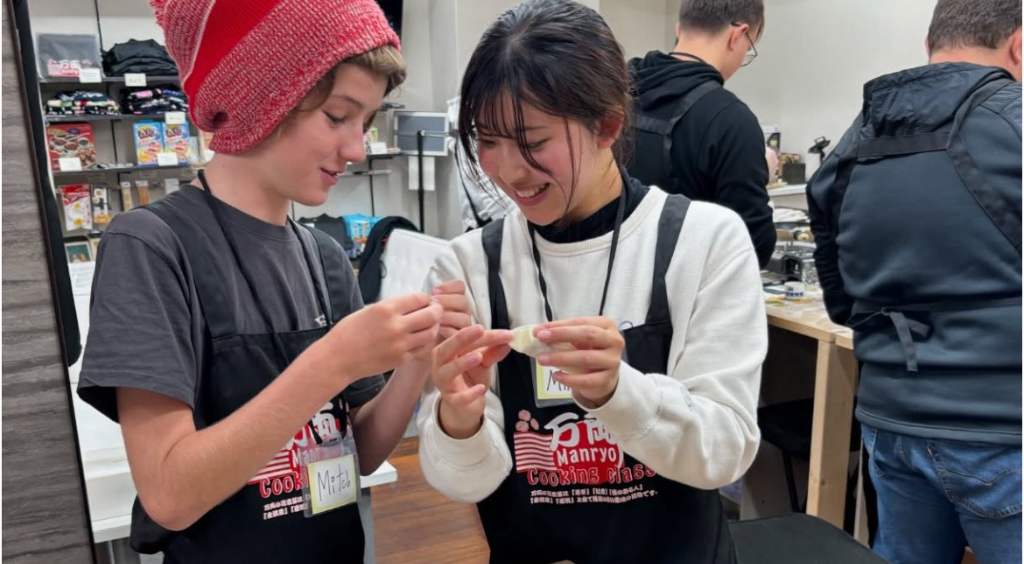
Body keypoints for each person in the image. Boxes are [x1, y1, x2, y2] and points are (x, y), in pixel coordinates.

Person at [75, 1, 470, 562]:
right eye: (337, 117)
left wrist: (415, 362)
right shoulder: (152, 247)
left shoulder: (327, 257)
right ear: (262, 100)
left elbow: (355, 453)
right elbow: (168, 494)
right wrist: (332, 360)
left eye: (366, 123)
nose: (356, 149)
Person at [416, 2, 767, 562]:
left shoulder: (702, 241)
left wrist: (616, 391)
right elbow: (465, 483)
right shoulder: (468, 265)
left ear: (607, 125)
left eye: (531, 142)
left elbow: (724, 452)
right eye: (488, 140)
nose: (507, 170)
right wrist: (457, 417)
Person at [806, 1, 1022, 562]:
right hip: (1004, 430)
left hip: (892, 424)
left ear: (931, 47)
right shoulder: (1015, 121)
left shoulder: (854, 142)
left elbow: (840, 300)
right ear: (1019, 46)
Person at [627, 0, 776, 268]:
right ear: (738, 35)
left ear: (679, 29)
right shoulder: (730, 119)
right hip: (679, 300)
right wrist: (760, 172)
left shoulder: (613, 90)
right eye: (748, 47)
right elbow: (752, 250)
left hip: (605, 285)